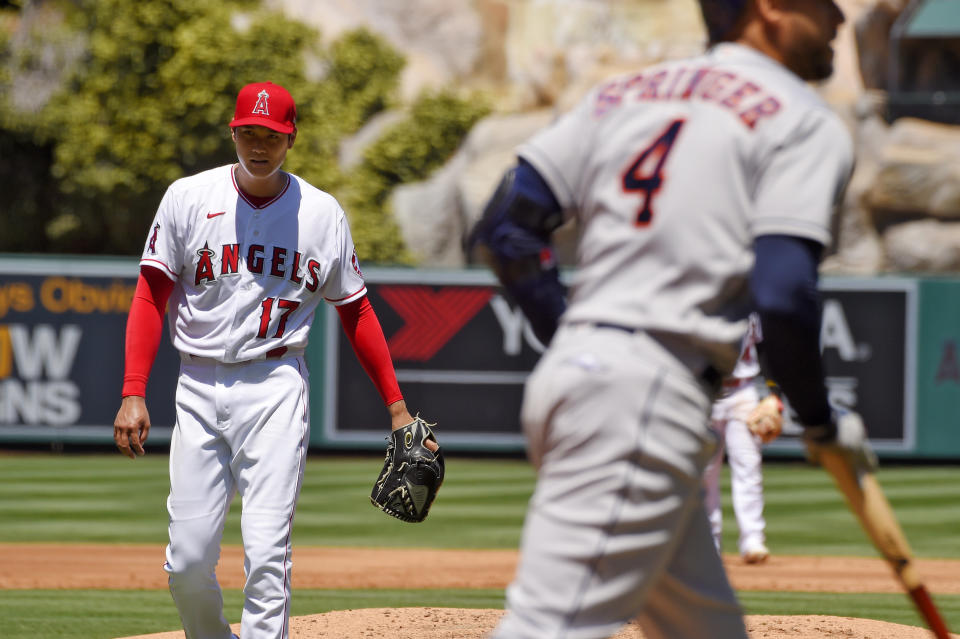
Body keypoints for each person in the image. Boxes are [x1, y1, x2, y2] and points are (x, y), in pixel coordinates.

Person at [468, 1, 874, 637]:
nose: (839, 20)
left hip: (590, 383)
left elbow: (504, 229)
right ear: (769, 9)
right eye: (823, 4)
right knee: (547, 628)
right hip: (646, 399)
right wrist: (819, 422)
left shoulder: (622, 94)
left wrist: (580, 345)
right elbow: (784, 293)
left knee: (704, 628)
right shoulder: (802, 121)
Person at [113, 81, 436, 639]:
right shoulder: (187, 197)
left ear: (291, 138)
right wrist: (133, 389)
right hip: (197, 384)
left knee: (266, 555)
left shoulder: (322, 213)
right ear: (233, 132)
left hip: (276, 385)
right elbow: (149, 295)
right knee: (187, 565)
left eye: (272, 135)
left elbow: (357, 312)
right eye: (249, 133)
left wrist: (398, 408)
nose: (259, 145)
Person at [702, 313, 782, 564]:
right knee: (705, 473)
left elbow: (765, 347)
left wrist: (773, 391)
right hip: (707, 392)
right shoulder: (705, 302)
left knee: (748, 465)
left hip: (743, 389)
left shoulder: (750, 304)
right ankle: (710, 544)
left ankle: (752, 540)